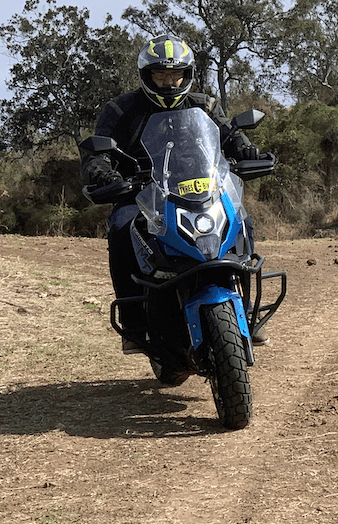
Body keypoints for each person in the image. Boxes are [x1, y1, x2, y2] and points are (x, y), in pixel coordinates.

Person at [81, 33, 261, 354]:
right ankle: (134, 323)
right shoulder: (121, 110)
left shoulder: (205, 105)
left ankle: (245, 312)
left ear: (187, 74)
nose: (169, 83)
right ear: (146, 76)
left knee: (241, 221)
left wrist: (246, 151)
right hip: (141, 194)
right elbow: (98, 151)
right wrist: (102, 172)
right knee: (122, 230)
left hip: (200, 187)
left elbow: (228, 136)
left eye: (176, 75)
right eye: (160, 75)